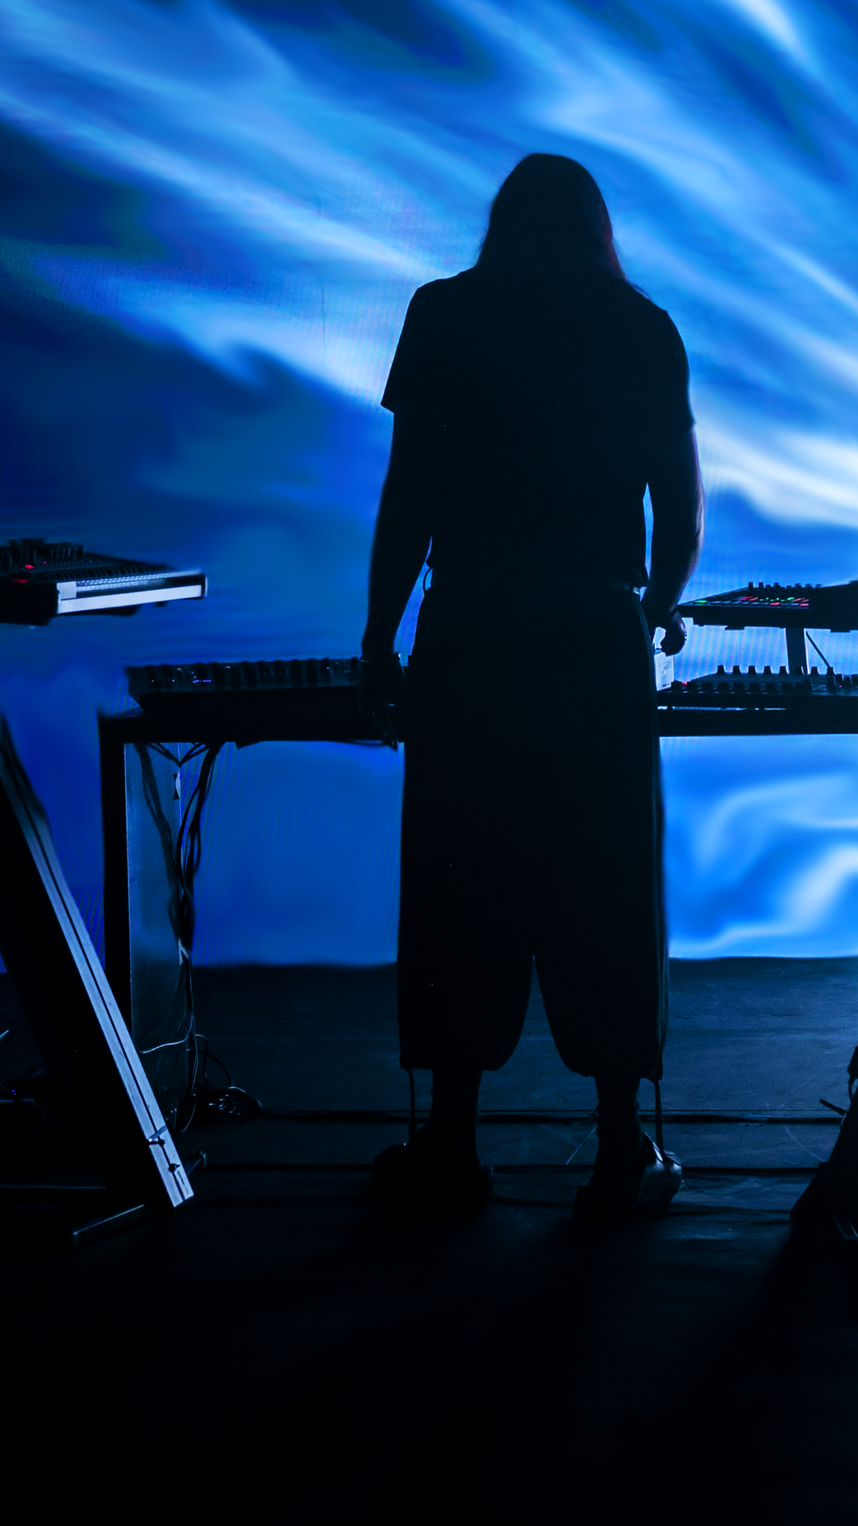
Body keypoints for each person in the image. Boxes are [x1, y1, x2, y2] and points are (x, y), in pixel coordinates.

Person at [358, 153, 703, 1221]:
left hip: (472, 633)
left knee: (463, 880)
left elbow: (410, 489)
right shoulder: (642, 326)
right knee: (606, 884)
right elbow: (680, 509)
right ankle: (617, 1148)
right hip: (593, 636)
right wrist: (655, 606)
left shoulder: (444, 314)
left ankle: (453, 1141)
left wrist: (378, 629)